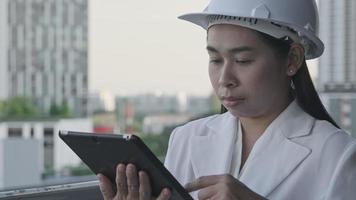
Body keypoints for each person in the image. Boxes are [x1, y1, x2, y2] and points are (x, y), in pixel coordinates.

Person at [98, 0, 356, 199]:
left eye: (242, 60)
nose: (224, 78)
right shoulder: (186, 139)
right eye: (215, 59)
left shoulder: (337, 154)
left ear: (292, 60)